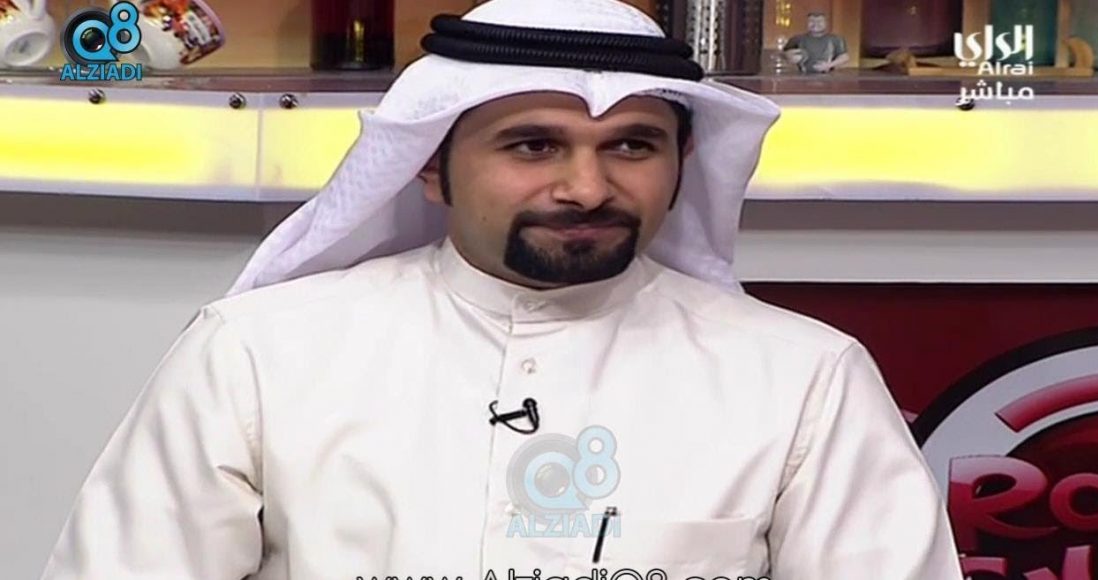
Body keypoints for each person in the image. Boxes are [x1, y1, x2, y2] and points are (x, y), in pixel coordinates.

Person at [41, 0, 961, 578]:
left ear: (681, 164)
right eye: (533, 145)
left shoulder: (802, 377)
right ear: (430, 166)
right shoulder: (259, 354)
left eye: (632, 145)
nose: (587, 188)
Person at [783, 12, 850, 73]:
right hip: (802, 76)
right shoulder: (797, 39)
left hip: (828, 76)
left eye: (819, 21)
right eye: (811, 21)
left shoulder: (835, 39)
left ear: (826, 23)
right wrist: (789, 56)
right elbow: (783, 54)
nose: (815, 24)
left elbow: (845, 57)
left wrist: (829, 65)